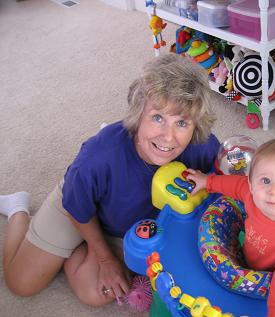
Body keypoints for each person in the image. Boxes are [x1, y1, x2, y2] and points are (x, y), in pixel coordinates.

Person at [0, 53, 220, 307]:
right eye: (158, 118)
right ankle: (18, 209)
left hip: (124, 222)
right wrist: (104, 259)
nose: (168, 137)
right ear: (138, 115)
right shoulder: (98, 156)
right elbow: (76, 204)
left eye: (181, 122)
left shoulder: (202, 147)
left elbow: (220, 191)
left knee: (99, 293)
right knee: (21, 284)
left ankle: (76, 248)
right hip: (78, 205)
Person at [186, 138, 275, 317]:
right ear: (251, 184)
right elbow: (234, 185)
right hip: (245, 255)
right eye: (266, 180)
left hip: (268, 280)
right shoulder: (251, 195)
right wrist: (208, 181)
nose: (274, 191)